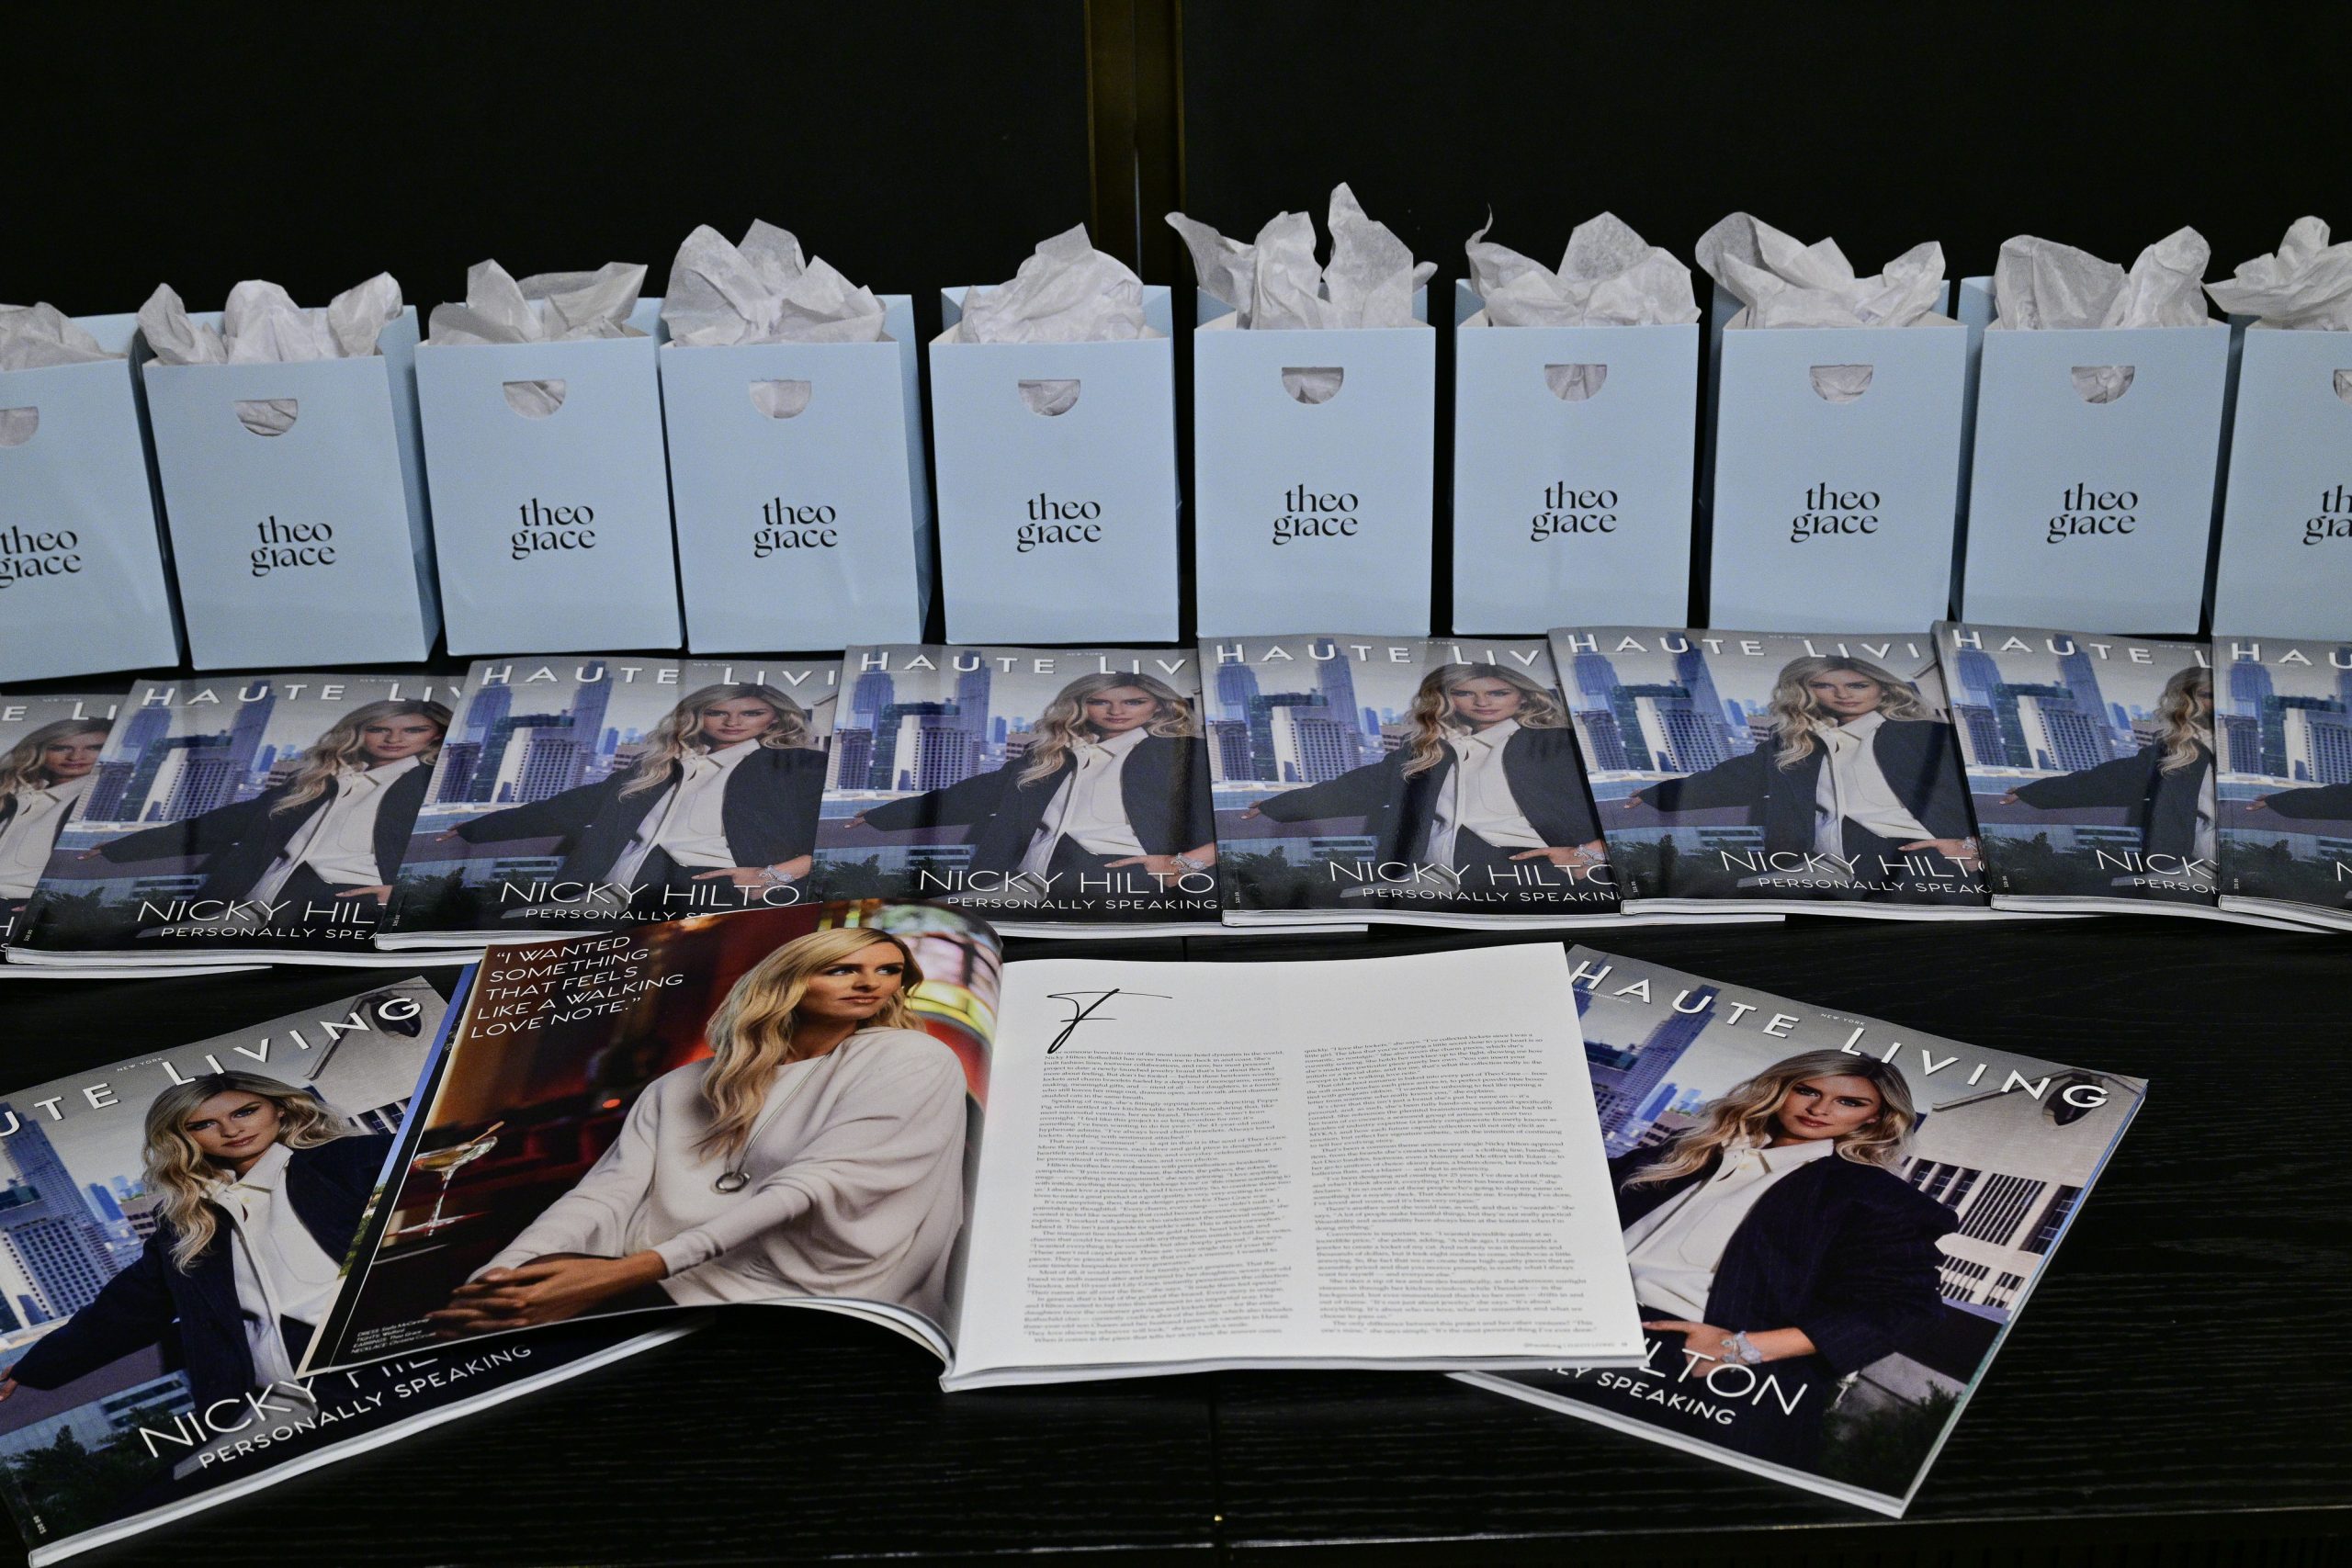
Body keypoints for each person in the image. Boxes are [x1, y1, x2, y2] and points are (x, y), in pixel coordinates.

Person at [433, 928, 969, 1333]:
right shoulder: (677, 1086)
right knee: (513, 1296)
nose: (870, 984)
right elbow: (604, 1195)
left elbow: (816, 1184)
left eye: (888, 970)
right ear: (787, 980)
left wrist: (630, 1273)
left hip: (800, 1284)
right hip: (657, 1266)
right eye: (842, 969)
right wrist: (499, 1274)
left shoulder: (909, 1057)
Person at [1582, 1049, 1958, 1470]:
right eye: (1807, 1091)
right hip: (1578, 1321)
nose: (1819, 1109)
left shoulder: (1872, 1196)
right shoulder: (1692, 1149)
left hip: (1684, 1361)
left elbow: (1907, 1308)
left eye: (1849, 1102)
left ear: (1875, 1118)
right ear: (1779, 1090)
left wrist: (1742, 1348)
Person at [0, 1073, 390, 1416]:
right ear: (184, 1139)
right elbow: (126, 1309)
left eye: (245, 1112)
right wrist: (34, 1367)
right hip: (279, 1401)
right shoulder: (187, 1220)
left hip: (389, 1361)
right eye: (204, 1124)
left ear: (281, 1109)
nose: (231, 1130)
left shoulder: (354, 1161)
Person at [1246, 661, 1606, 908]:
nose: (1482, 702)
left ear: (1523, 697)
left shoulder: (1555, 744)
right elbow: (1361, 787)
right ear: (1448, 699)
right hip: (1432, 876)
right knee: (1336, 910)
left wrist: (1588, 855)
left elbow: (1605, 812)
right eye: (1465, 693)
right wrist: (1274, 806)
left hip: (1525, 872)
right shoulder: (1430, 748)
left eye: (1498, 693)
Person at [447, 682, 824, 916]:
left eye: (752, 713)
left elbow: (819, 844)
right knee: (513, 928)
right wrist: (472, 830)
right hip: (607, 893)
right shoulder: (660, 765)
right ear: (698, 717)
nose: (732, 722)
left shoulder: (798, 766)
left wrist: (772, 876)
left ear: (775, 720)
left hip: (710, 895)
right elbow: (571, 806)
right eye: (717, 712)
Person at [1626, 655, 1980, 901]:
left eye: (1858, 685)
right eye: (1824, 686)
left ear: (1883, 689)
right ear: (1808, 693)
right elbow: (1734, 779)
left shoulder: (1924, 735)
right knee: (1719, 897)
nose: (1843, 694)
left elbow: (1963, 793)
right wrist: (1656, 794)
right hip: (1823, 865)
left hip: (1911, 860)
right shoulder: (1797, 743)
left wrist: (1970, 845)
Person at [846, 672, 1215, 906]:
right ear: (1080, 706)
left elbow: (1219, 830)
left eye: (1134, 701)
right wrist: (881, 815)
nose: (1116, 711)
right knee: (926, 922)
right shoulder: (1053, 754)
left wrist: (1184, 864)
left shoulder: (1184, 753)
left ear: (1157, 708)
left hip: (1121, 879)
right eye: (1100, 701)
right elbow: (976, 794)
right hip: (1025, 880)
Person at [92, 699, 449, 918]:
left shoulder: (427, 782)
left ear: (434, 735)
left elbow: (448, 853)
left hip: (345, 908)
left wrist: (405, 895)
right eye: (379, 729)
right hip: (251, 902)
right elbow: (230, 821)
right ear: (359, 732)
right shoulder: (320, 778)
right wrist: (119, 849)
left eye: (413, 730)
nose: (394, 739)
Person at [2002, 664, 2214, 884]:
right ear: (2183, 703)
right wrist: (2032, 792)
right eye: (2207, 696)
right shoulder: (2177, 753)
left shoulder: (2226, 748)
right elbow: (2106, 782)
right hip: (2196, 867)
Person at [0, 716, 110, 902]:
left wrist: (51, 903)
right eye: (60, 748)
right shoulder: (10, 789)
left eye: (94, 748)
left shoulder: (103, 799)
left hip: (23, 903)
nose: (75, 757)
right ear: (39, 750)